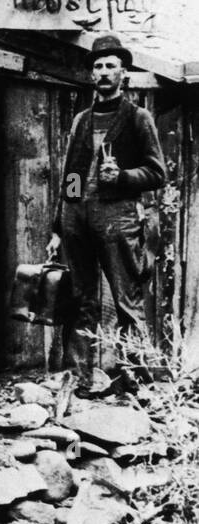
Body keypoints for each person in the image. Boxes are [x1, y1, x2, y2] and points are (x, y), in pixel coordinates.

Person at [46, 34, 166, 388]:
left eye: (110, 66)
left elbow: (158, 173)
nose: (102, 72)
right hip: (77, 217)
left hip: (117, 216)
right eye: (97, 66)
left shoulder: (137, 117)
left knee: (126, 300)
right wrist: (58, 226)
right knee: (80, 299)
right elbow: (70, 175)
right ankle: (78, 377)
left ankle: (135, 379)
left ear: (123, 73)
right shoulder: (82, 119)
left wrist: (124, 176)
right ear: (91, 75)